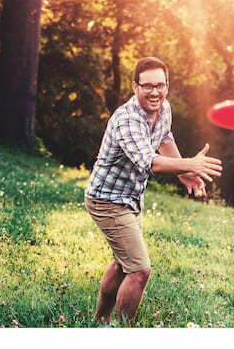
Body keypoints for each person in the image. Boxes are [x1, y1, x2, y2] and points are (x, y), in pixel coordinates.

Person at [84, 56, 223, 325]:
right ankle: (124, 331)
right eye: (148, 86)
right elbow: (150, 162)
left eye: (160, 85)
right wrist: (189, 163)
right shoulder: (127, 119)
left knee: (123, 263)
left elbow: (165, 137)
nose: (155, 92)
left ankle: (100, 323)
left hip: (130, 198)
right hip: (107, 199)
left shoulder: (163, 108)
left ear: (167, 86)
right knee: (139, 270)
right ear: (135, 86)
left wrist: (186, 173)